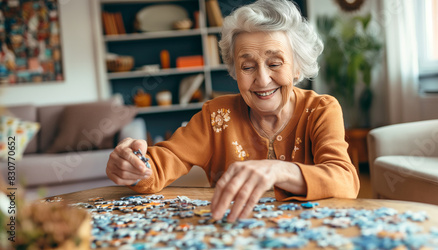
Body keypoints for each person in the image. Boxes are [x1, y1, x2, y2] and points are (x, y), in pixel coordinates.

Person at [106, 0, 359, 222]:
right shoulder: (217, 115)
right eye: (247, 66)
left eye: (274, 63)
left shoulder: (320, 109)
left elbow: (345, 180)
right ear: (235, 72)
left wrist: (278, 170)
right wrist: (136, 167)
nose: (262, 79)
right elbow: (163, 163)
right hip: (232, 234)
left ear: (297, 67)